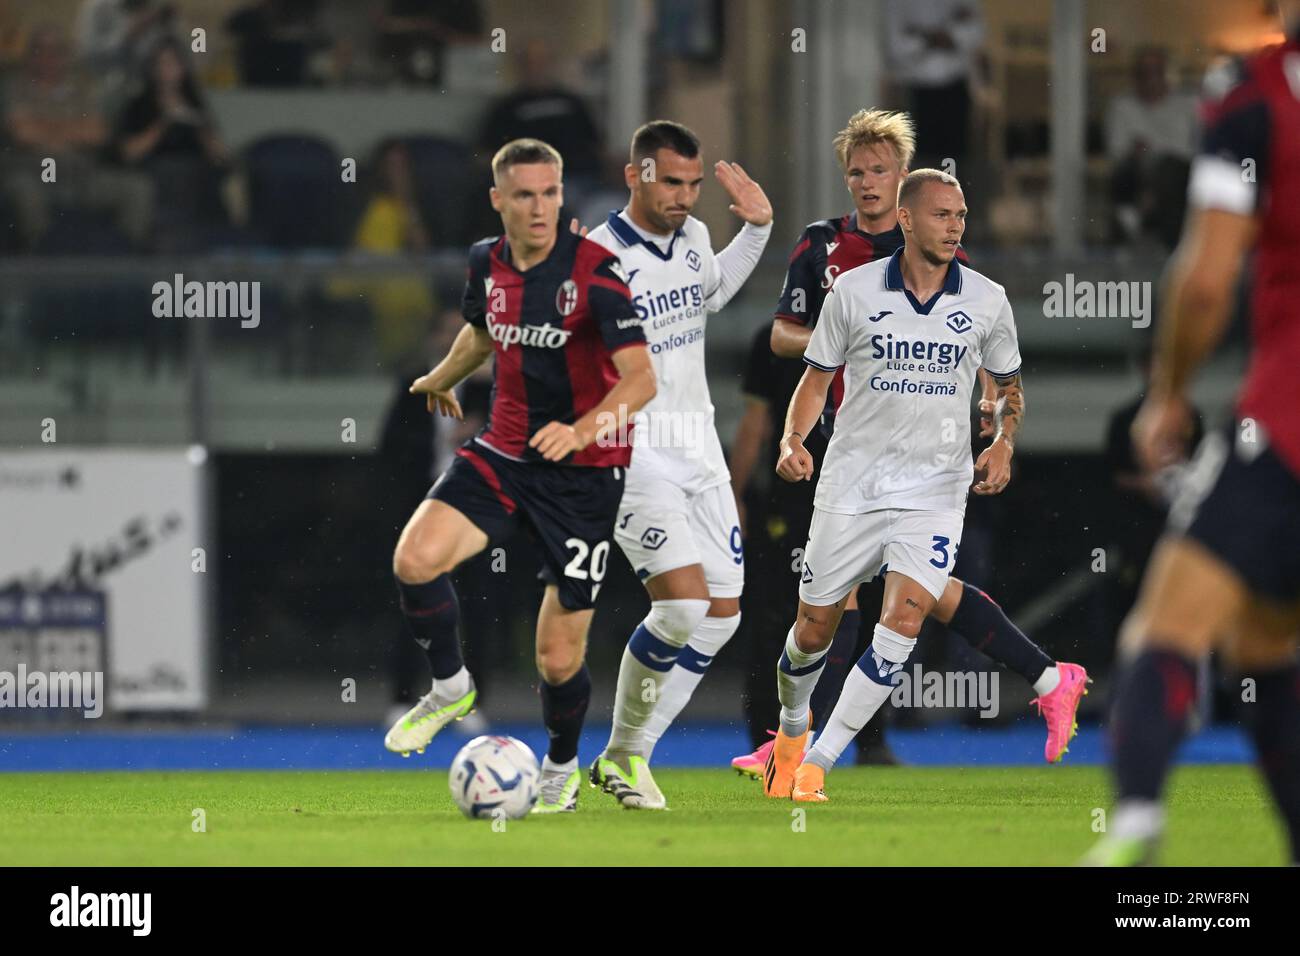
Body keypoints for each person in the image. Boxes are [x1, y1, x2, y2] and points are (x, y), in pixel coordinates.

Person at [734, 110, 1085, 778]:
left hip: (928, 462)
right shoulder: (823, 250)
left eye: (880, 171)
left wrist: (995, 422)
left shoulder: (951, 261)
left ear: (906, 179)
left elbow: (986, 351)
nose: (867, 183)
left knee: (901, 604)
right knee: (832, 614)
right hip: (846, 448)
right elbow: (781, 336)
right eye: (856, 173)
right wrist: (840, 344)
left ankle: (815, 753)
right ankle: (1046, 679)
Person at [1085, 6, 1300, 866]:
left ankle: (1137, 811)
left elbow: (1206, 279)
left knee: (1168, 627)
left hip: (1288, 423)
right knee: (1264, 641)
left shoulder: (1252, 94)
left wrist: (1168, 394)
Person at [385, 139, 656, 818]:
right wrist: (441, 378)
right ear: (498, 200)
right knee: (415, 560)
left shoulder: (596, 272)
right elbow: (482, 332)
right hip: (504, 452)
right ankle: (450, 687)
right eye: (526, 194)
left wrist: (582, 430)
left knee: (557, 658)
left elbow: (641, 379)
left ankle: (562, 765)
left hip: (585, 476)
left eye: (551, 192)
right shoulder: (487, 261)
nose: (540, 207)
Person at [581, 120, 771, 808]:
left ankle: (624, 755)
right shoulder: (596, 256)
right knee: (685, 603)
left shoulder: (691, 239)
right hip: (634, 451)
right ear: (636, 176)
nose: (686, 198)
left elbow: (711, 293)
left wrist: (755, 232)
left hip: (700, 448)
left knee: (722, 612)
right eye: (673, 182)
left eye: (695, 185)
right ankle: (619, 756)